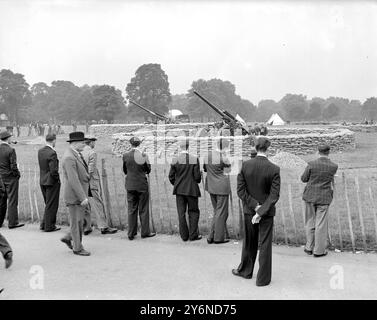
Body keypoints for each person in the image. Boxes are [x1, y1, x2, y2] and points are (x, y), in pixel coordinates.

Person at [233, 136, 280, 286]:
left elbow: (241, 191)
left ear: (255, 148)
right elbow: (274, 195)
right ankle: (263, 279)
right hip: (266, 212)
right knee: (265, 244)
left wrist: (255, 207)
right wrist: (261, 210)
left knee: (249, 242)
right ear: (268, 149)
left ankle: (246, 271)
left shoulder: (246, 165)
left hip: (250, 210)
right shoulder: (274, 169)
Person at [301, 144, 338, 257]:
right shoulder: (333, 166)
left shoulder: (311, 164)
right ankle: (319, 251)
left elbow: (304, 179)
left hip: (310, 196)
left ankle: (309, 247)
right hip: (324, 197)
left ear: (318, 152)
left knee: (310, 222)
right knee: (320, 224)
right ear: (329, 152)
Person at [60, 132, 91, 256]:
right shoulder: (69, 157)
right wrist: (82, 197)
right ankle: (77, 248)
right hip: (75, 196)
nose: (85, 144)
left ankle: (69, 237)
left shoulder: (75, 154)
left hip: (79, 194)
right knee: (76, 223)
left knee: (81, 221)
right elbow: (73, 179)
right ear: (75, 143)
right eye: (83, 142)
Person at [82, 135, 117, 235]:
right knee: (98, 204)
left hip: (82, 182)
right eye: (94, 141)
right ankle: (103, 226)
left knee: (85, 205)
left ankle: (86, 227)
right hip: (90, 182)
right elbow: (90, 169)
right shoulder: (91, 153)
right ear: (91, 142)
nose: (94, 143)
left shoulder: (80, 152)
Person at [168, 138, 202, 242]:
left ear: (180, 147)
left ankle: (184, 236)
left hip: (179, 190)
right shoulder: (194, 159)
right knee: (193, 212)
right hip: (191, 189)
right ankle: (193, 235)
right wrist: (199, 175)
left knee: (181, 213)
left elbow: (171, 176)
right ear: (188, 147)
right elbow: (197, 178)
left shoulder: (175, 160)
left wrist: (177, 184)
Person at [122, 136, 155, 240]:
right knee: (143, 208)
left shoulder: (125, 155)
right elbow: (148, 169)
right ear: (139, 144)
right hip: (141, 184)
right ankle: (145, 232)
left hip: (130, 184)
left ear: (130, 144)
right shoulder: (143, 155)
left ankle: (131, 233)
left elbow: (125, 170)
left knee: (132, 209)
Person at [203, 138, 231, 244]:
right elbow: (229, 169)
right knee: (221, 212)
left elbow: (205, 168)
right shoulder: (223, 157)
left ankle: (211, 236)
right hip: (221, 187)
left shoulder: (207, 155)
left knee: (217, 212)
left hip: (211, 186)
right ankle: (218, 238)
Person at [0, 131, 24, 229]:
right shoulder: (11, 150)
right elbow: (13, 166)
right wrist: (17, 175)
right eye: (10, 137)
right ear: (8, 138)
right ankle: (13, 222)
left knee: (1, 200)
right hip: (10, 178)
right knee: (12, 200)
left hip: (1, 177)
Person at [38, 134, 61, 232]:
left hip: (42, 180)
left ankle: (44, 224)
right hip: (51, 181)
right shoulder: (52, 153)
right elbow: (54, 170)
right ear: (54, 140)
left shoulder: (40, 151)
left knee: (48, 203)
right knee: (52, 204)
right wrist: (57, 179)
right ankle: (49, 226)